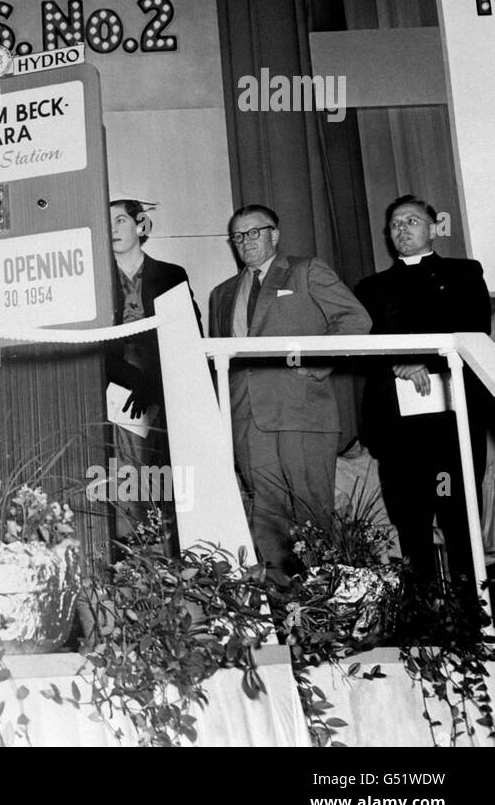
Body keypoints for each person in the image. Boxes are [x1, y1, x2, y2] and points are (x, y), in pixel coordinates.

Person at [207, 204, 371, 583]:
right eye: (238, 236)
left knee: (311, 517)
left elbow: (355, 319)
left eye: (254, 232)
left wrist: (313, 365)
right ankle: (285, 614)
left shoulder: (305, 270)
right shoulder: (222, 293)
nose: (245, 241)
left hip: (301, 412)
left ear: (274, 235)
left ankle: (325, 612)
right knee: (267, 520)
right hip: (248, 419)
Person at [354, 195, 492, 585]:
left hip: (452, 423)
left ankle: (471, 621)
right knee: (410, 524)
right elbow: (359, 349)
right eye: (395, 224)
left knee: (459, 517)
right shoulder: (371, 287)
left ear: (433, 229)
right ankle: (423, 622)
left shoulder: (464, 273)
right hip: (398, 429)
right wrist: (396, 363)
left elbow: (476, 329)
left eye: (412, 221)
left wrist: (424, 362)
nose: (402, 229)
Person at [104, 199, 199, 545]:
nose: (113, 228)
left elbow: (189, 334)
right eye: (107, 221)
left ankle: (172, 556)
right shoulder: (96, 278)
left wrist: (155, 382)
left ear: (139, 225)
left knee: (167, 473)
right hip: (115, 384)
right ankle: (135, 559)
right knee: (126, 474)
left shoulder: (171, 274)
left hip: (165, 382)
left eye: (121, 220)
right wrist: (132, 379)